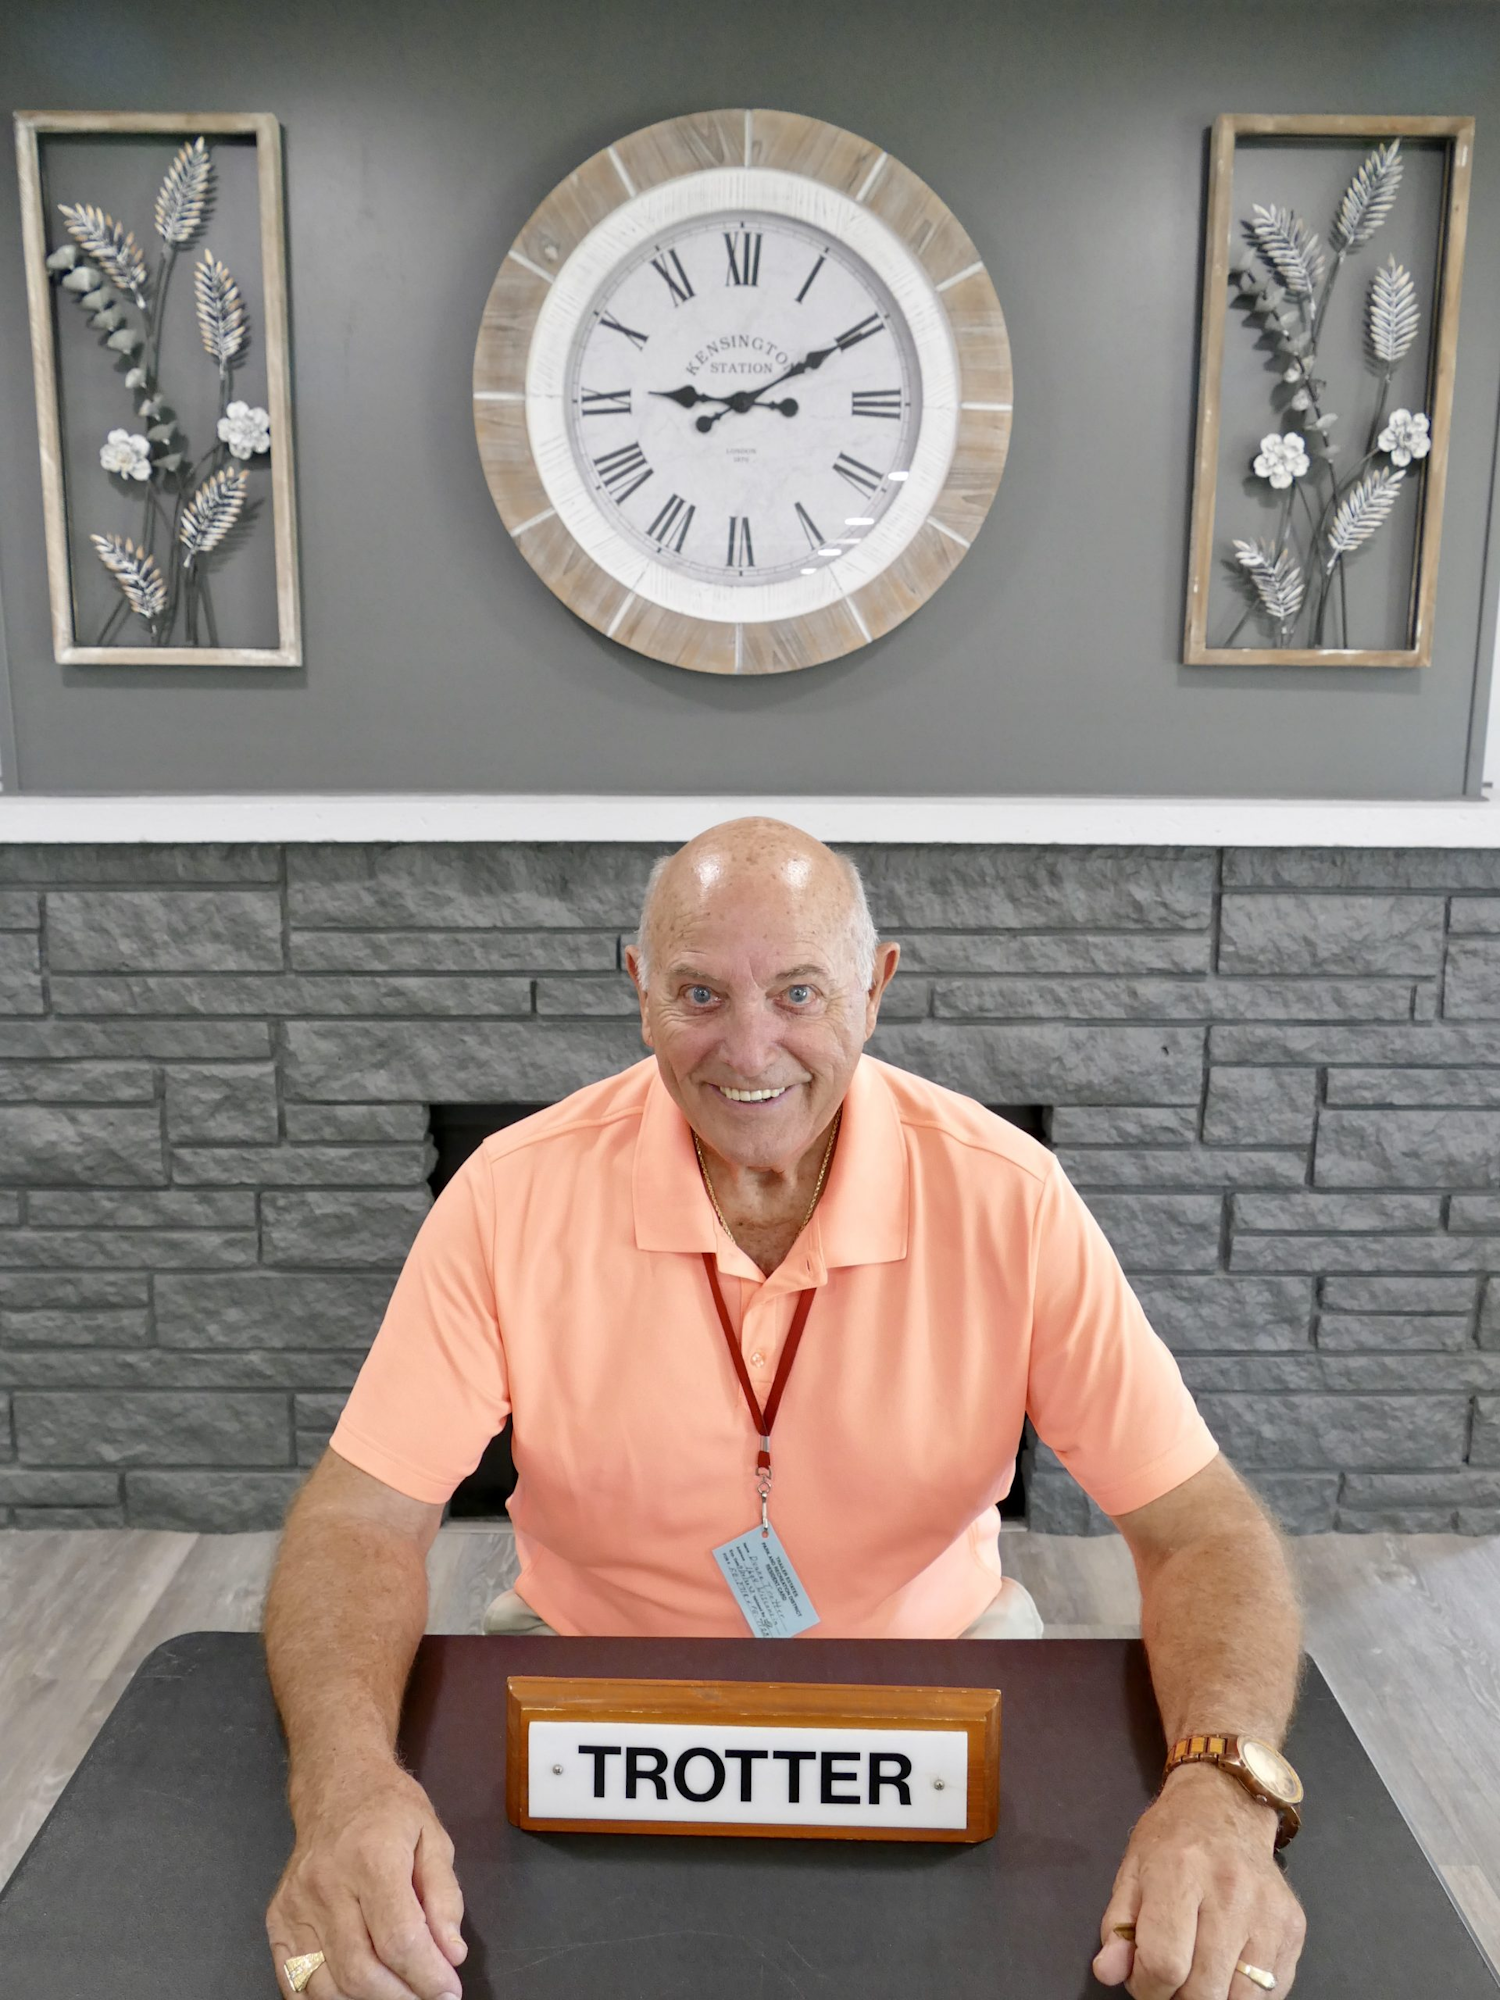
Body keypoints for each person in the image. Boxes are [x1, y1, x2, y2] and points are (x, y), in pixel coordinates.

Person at [264, 817, 1306, 2000]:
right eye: (699, 992)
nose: (748, 1046)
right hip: (585, 1677)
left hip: (940, 1672)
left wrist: (1223, 1789)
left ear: (877, 986)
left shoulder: (1011, 1196)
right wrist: (345, 1784)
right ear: (639, 990)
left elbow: (1203, 1529)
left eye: (799, 991)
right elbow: (359, 1520)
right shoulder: (507, 1193)